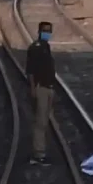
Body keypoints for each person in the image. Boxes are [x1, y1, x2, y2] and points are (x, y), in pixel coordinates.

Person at [26, 22, 55, 165]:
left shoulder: (46, 47)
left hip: (48, 88)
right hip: (41, 88)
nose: (47, 33)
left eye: (49, 31)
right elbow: (30, 70)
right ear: (39, 31)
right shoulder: (36, 48)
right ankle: (38, 155)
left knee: (44, 121)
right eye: (45, 31)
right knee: (40, 122)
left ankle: (41, 151)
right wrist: (33, 89)